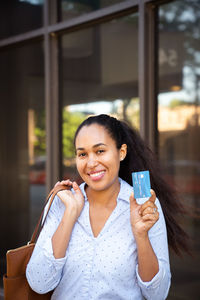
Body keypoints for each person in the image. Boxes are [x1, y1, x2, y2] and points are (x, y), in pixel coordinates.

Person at [26, 114, 189, 300]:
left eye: (100, 151)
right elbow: (39, 283)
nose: (91, 163)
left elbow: (157, 294)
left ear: (121, 152)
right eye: (82, 154)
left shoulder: (145, 205)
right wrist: (70, 215)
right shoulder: (62, 202)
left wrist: (141, 236)